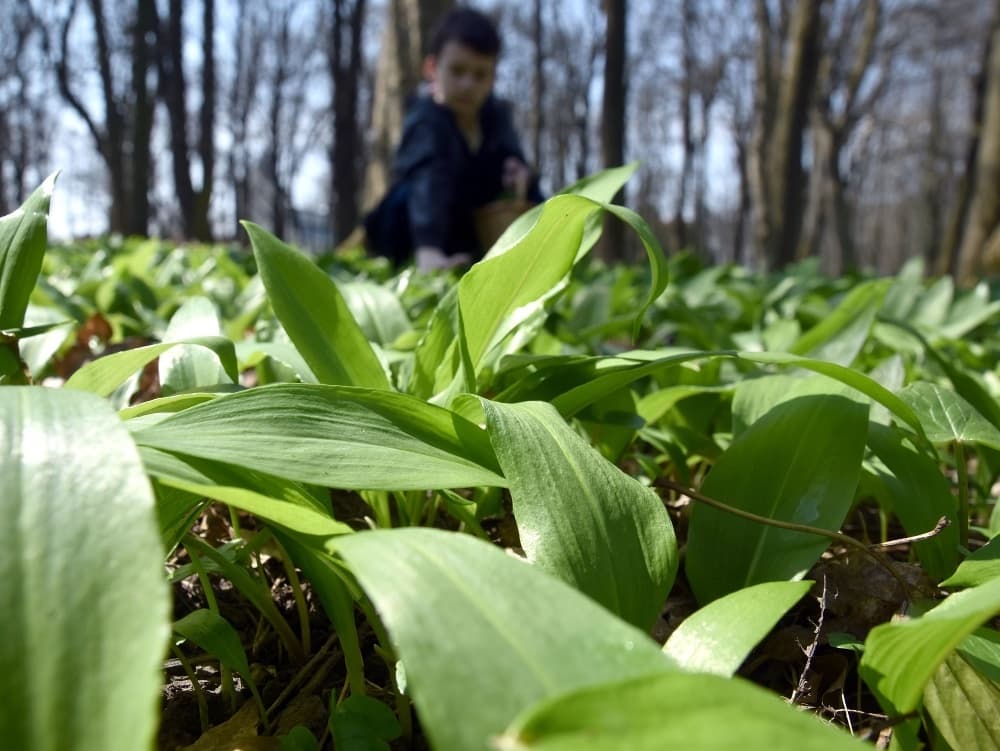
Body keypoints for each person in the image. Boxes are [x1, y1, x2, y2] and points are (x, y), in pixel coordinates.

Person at [364, 6, 543, 271]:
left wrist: (520, 174)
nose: (468, 84)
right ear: (432, 68)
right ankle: (415, 260)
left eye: (480, 74)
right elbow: (428, 179)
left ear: (492, 78)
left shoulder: (497, 118)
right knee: (414, 188)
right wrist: (428, 250)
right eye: (457, 71)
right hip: (408, 230)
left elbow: (515, 161)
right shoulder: (425, 118)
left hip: (466, 228)